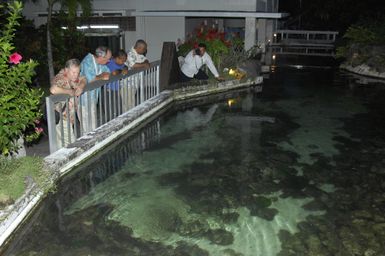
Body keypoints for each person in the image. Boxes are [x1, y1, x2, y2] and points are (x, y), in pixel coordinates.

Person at [50, 59, 86, 148]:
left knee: (62, 143)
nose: (76, 75)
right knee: (70, 143)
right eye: (74, 72)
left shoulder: (72, 77)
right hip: (62, 117)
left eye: (78, 72)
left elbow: (84, 78)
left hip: (68, 118)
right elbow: (53, 89)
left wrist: (81, 86)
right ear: (66, 70)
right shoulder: (61, 78)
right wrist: (69, 91)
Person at [79, 46, 111, 133]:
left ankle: (92, 144)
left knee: (92, 126)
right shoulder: (87, 62)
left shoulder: (100, 63)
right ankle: (88, 145)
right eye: (108, 59)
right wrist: (101, 76)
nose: (109, 61)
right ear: (101, 57)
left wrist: (102, 76)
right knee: (87, 127)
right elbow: (90, 79)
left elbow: (107, 72)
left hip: (92, 99)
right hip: (84, 101)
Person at [103, 49, 128, 121]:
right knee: (110, 109)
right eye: (122, 60)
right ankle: (110, 124)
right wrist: (121, 71)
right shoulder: (109, 63)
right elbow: (114, 73)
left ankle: (119, 122)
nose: (123, 62)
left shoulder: (120, 63)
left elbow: (125, 66)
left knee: (119, 108)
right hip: (108, 90)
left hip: (116, 89)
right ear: (116, 58)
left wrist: (125, 68)